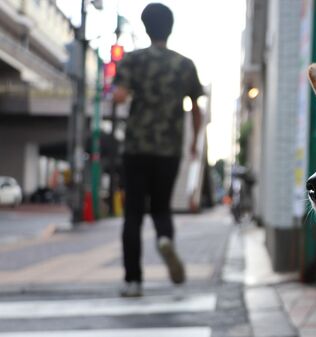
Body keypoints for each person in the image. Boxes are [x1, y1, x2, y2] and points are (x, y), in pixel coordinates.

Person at [112, 3, 203, 297]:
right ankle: (164, 239)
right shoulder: (184, 64)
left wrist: (121, 92)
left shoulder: (132, 60)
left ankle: (133, 281)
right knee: (161, 208)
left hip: (136, 146)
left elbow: (120, 96)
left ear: (146, 27)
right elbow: (195, 109)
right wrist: (193, 142)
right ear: (171, 27)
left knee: (133, 214)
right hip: (169, 148)